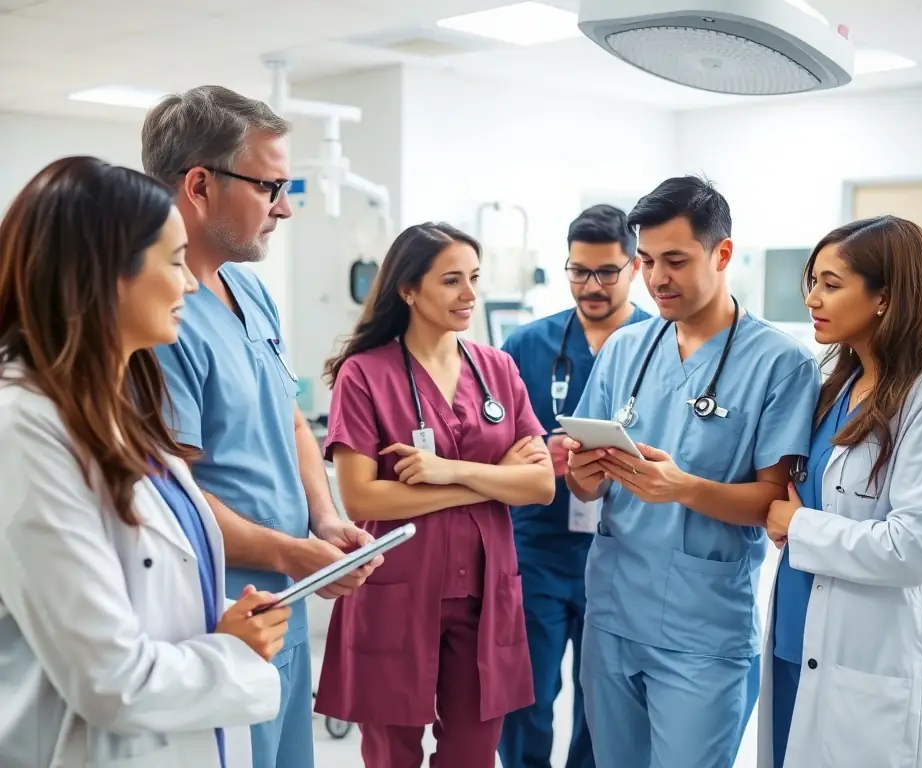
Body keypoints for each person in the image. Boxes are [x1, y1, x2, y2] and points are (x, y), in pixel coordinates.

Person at [0, 156, 291, 768]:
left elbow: (145, 587)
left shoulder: (116, 408)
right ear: (108, 273)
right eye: (175, 261)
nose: (191, 285)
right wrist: (231, 653)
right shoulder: (23, 428)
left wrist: (221, 620)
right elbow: (110, 678)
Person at [141, 85, 380, 768]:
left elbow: (290, 418)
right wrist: (288, 553)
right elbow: (171, 494)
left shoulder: (248, 290)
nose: (285, 207)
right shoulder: (160, 318)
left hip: (283, 602)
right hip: (220, 609)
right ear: (199, 185)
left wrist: (324, 521)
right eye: (271, 187)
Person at [564, 176, 821, 768]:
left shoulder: (781, 363)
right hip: (613, 614)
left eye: (676, 260)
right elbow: (584, 486)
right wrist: (583, 472)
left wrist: (682, 488)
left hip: (703, 627)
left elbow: (774, 505)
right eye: (648, 260)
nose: (657, 278)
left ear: (721, 253)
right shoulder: (624, 349)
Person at [314, 222, 557, 767]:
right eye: (451, 281)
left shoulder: (497, 369)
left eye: (474, 278)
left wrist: (449, 472)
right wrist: (490, 479)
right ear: (408, 289)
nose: (469, 294)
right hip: (395, 591)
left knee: (473, 754)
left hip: (485, 596)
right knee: (392, 756)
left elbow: (540, 485)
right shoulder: (364, 374)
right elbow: (362, 499)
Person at [761, 215, 922, 768]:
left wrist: (799, 526)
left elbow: (913, 548)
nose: (812, 298)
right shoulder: (837, 387)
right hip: (799, 639)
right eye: (813, 282)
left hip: (871, 662)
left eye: (831, 284)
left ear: (885, 297)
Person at [498, 204, 649, 768]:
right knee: (526, 693)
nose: (591, 286)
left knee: (604, 701)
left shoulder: (659, 343)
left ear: (635, 267)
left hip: (623, 548)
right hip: (537, 546)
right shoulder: (525, 346)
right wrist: (539, 452)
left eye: (607, 272)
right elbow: (490, 445)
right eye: (579, 270)